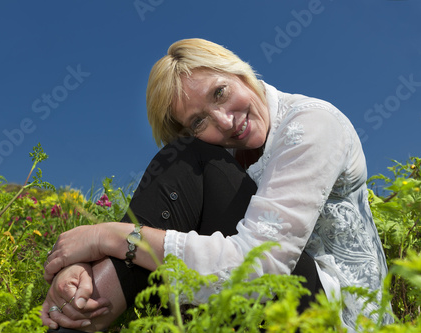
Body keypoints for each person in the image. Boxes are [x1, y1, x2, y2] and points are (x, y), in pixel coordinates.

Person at [41, 38, 393, 332]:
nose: (225, 122)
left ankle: (74, 317)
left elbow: (261, 268)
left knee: (183, 163)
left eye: (220, 93)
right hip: (267, 299)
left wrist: (108, 237)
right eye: (198, 122)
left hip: (339, 315)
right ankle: (81, 303)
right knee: (182, 168)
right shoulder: (222, 161)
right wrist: (87, 264)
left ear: (239, 72)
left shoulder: (313, 124)